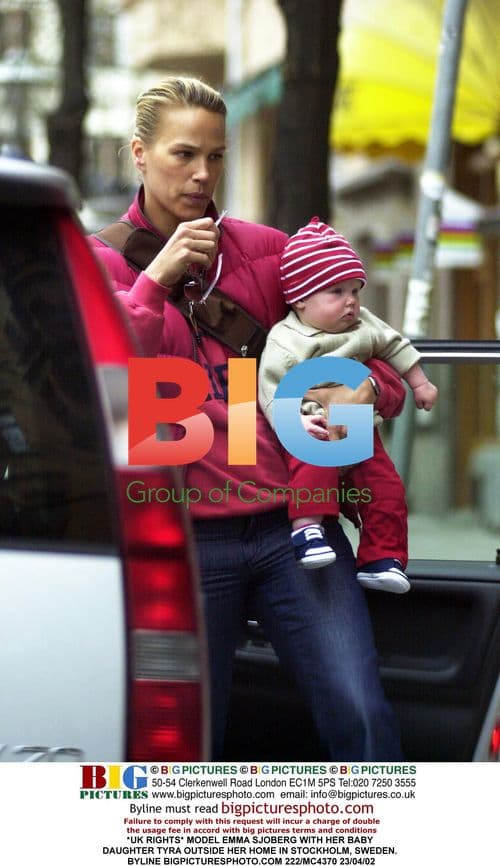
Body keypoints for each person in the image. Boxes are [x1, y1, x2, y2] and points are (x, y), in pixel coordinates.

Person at [90, 75, 406, 761]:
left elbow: (366, 352)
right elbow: (106, 390)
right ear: (139, 154)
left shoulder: (269, 250)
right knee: (182, 747)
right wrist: (155, 280)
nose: (203, 174)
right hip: (178, 538)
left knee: (361, 713)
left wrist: (365, 392)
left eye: (217, 156)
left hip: (294, 529)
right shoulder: (102, 262)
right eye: (183, 155)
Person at [259, 217, 438, 592]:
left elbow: (396, 346)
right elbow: (271, 391)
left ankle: (383, 557)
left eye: (356, 290)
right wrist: (291, 423)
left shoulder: (364, 325)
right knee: (313, 466)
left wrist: (420, 382)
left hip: (359, 422)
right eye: (336, 292)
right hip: (316, 422)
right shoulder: (286, 339)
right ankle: (307, 529)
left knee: (384, 486)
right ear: (301, 298)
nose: (351, 302)